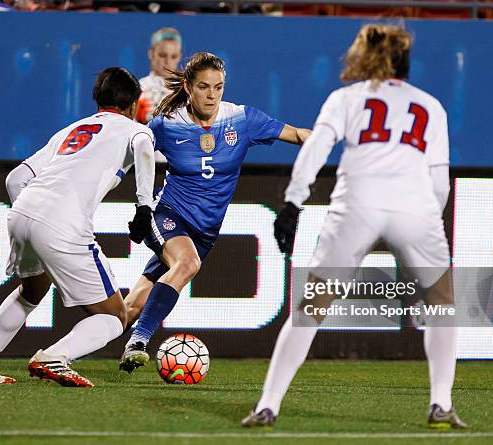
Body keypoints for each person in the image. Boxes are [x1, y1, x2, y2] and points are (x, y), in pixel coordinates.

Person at [241, 24, 467, 429]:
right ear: (405, 61)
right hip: (413, 206)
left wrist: (293, 202)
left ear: (363, 57)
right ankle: (441, 403)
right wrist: (428, 226)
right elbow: (438, 181)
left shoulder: (345, 98)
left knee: (310, 309)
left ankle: (268, 405)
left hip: (356, 203)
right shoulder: (431, 106)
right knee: (441, 304)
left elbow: (315, 149)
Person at [0, 67, 156, 387]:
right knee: (116, 317)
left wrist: (33, 216)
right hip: (63, 222)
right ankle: (54, 356)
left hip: (22, 212)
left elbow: (15, 179)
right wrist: (144, 207)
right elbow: (145, 149)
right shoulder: (134, 130)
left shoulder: (70, 130)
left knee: (30, 292)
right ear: (134, 104)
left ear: (98, 99)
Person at [118, 52, 311, 373]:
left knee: (132, 306)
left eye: (218, 87)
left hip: (204, 233)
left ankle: (67, 350)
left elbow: (296, 133)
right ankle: (139, 340)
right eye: (204, 87)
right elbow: (128, 153)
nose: (212, 95)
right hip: (167, 215)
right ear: (189, 88)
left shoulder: (242, 119)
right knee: (187, 263)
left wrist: (321, 141)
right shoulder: (167, 125)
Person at [136, 27, 183, 124]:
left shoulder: (187, 90)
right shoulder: (138, 88)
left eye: (173, 56)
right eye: (162, 55)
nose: (168, 61)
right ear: (151, 54)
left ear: (179, 57)